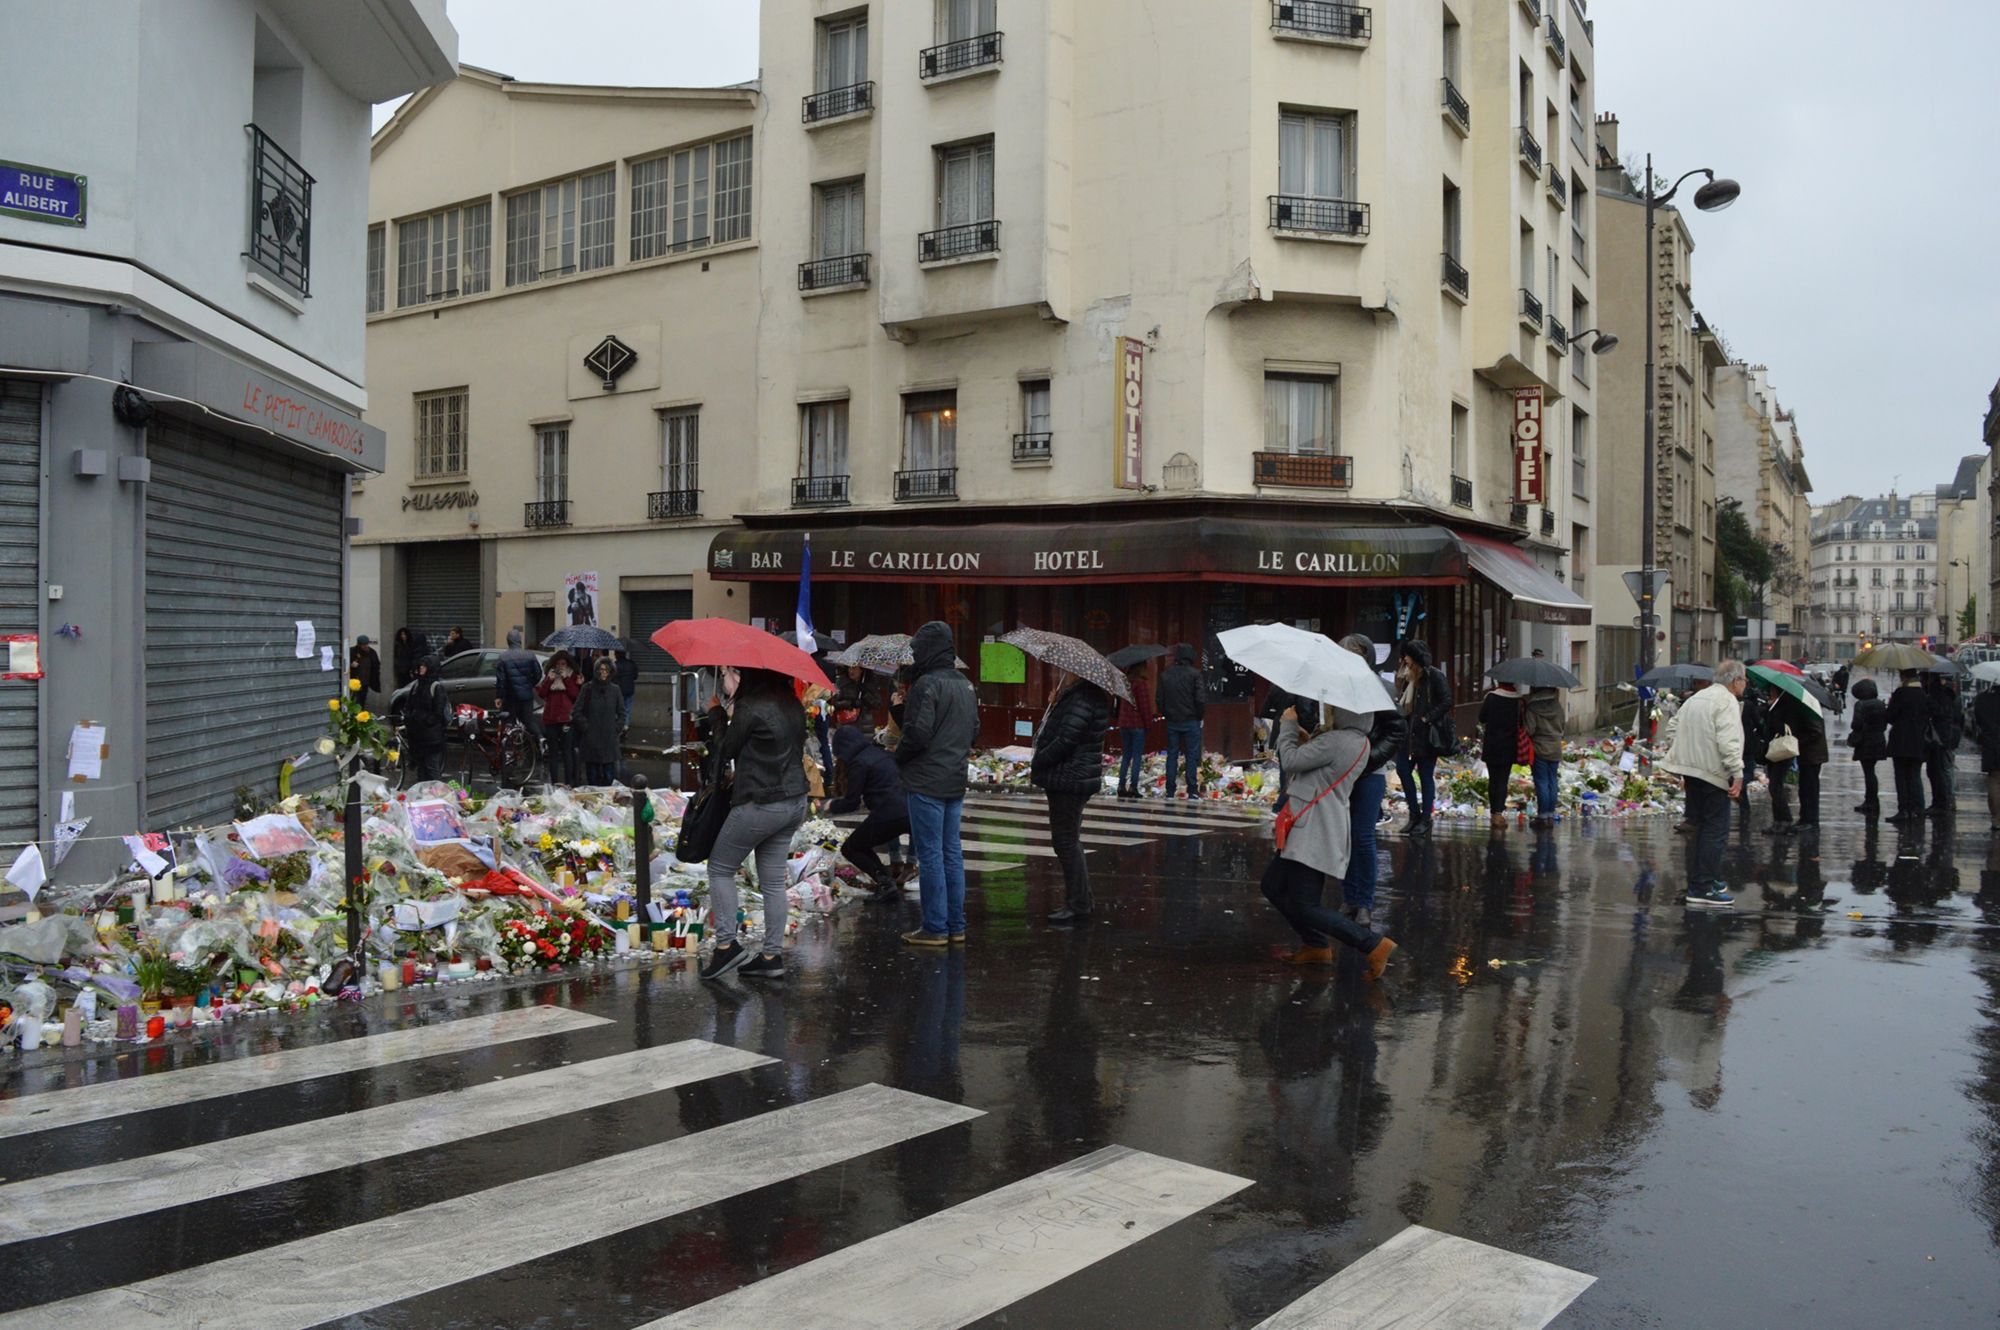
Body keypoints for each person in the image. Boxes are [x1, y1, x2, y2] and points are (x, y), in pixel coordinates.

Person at [1260, 704, 1397, 978]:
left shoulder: (1337, 740)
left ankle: (1372, 944)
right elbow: (1322, 767)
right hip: (1314, 824)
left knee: (1306, 905)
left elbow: (1290, 762)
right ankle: (1315, 945)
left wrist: (1287, 726)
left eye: (1334, 709)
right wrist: (1308, 742)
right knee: (1273, 885)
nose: (1329, 712)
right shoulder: (1358, 741)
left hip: (1312, 827)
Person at [699, 666, 808, 981]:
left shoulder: (751, 706)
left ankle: (726, 946)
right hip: (795, 800)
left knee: (720, 868)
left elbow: (725, 749)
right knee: (772, 882)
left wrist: (717, 714)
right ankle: (771, 956)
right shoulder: (792, 703)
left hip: (762, 802)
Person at [895, 622, 978, 946]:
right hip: (954, 778)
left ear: (928, 649)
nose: (915, 656)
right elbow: (974, 730)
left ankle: (934, 927)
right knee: (951, 854)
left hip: (926, 781)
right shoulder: (965, 684)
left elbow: (917, 733)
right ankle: (956, 925)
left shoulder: (926, 684)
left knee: (930, 856)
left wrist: (898, 757)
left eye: (917, 650)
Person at [1662, 659, 1747, 908]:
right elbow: (1728, 741)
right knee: (1715, 830)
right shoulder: (1726, 701)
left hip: (1691, 771)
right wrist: (1737, 773)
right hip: (1712, 772)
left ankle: (1702, 879)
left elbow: (1672, 728)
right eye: (1744, 680)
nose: (1745, 684)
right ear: (1736, 681)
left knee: (1700, 827)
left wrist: (1687, 750)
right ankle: (1703, 886)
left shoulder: (1697, 698)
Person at [1032, 675, 1112, 924]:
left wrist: (1039, 760)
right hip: (1073, 776)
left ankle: (1078, 903)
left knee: (1065, 842)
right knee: (1069, 840)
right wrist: (1055, 704)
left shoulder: (1082, 698)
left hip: (1069, 778)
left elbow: (1066, 739)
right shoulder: (1084, 696)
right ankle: (1082, 899)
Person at [1338, 634, 1401, 927]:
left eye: (1351, 653)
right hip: (1342, 771)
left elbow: (1395, 730)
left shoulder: (1377, 687)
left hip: (1369, 772)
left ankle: (1364, 901)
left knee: (1362, 836)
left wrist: (1369, 759)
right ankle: (1350, 897)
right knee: (1346, 836)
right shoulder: (1336, 686)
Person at [826, 724, 910, 901]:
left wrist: (831, 805)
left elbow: (852, 802)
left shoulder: (859, 762)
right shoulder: (881, 753)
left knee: (852, 847)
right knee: (863, 842)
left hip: (887, 813)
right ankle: (888, 880)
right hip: (910, 808)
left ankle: (885, 882)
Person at [1395, 640, 1451, 836]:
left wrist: (1427, 718)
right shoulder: (1407, 677)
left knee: (1425, 775)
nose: (1405, 660)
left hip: (1426, 736)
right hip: (1408, 734)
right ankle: (1414, 814)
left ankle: (1426, 818)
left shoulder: (1434, 675)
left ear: (1416, 657)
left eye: (1408, 656)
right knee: (1403, 770)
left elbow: (1446, 701)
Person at [1767, 687, 1826, 834]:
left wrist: (1795, 742)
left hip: (1812, 754)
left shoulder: (1807, 706)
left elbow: (1815, 731)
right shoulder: (1798, 704)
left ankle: (1811, 821)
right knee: (1805, 788)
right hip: (1807, 754)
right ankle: (1806, 819)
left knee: (1810, 788)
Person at [1477, 681, 1526, 830]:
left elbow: (1482, 718)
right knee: (1503, 781)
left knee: (1493, 780)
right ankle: (1499, 813)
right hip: (1509, 746)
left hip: (1492, 745)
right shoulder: (1518, 700)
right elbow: (1522, 722)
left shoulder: (1491, 697)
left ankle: (1494, 814)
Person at [1158, 643, 1205, 798]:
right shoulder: (1195, 674)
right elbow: (1200, 699)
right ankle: (1192, 789)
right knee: (1191, 755)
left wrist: (1167, 714)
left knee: (1172, 754)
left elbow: (1159, 699)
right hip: (1191, 720)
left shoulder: (1165, 675)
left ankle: (1170, 789)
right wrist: (1199, 716)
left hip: (1172, 721)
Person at [1886, 669, 1931, 823]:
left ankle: (1904, 810)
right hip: (1918, 739)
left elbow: (1890, 716)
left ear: (1903, 676)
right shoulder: (1923, 694)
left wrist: (1890, 704)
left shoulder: (1900, 693)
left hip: (1901, 740)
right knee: (1914, 775)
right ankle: (1918, 808)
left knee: (1901, 776)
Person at [573, 657, 624, 786]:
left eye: (606, 670)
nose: (603, 673)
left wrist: (616, 728)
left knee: (609, 777)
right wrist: (586, 727)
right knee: (592, 777)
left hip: (609, 738)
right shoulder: (587, 688)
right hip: (591, 738)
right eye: (601, 669)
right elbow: (577, 711)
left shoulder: (615, 690)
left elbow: (622, 713)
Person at [399, 654, 450, 781]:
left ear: (431, 668)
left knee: (432, 768)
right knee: (421, 769)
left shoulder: (436, 687)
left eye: (424, 666)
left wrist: (426, 722)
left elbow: (438, 712)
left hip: (431, 737)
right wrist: (409, 718)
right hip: (418, 737)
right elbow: (409, 705)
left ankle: (435, 792)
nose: (421, 668)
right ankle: (422, 792)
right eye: (421, 665)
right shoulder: (417, 685)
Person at [534, 650, 581, 785]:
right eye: (558, 664)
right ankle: (554, 782)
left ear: (568, 664)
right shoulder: (550, 675)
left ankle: (568, 782)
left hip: (566, 718)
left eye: (563, 664)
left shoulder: (572, 675)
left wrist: (566, 679)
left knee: (567, 751)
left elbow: (575, 695)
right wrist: (550, 680)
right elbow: (542, 694)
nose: (560, 666)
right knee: (553, 752)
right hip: (551, 717)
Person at [1523, 686, 1564, 828]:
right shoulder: (1557, 706)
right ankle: (1550, 816)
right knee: (1552, 781)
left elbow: (1529, 730)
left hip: (1539, 748)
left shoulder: (1532, 708)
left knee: (1541, 782)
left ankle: (1542, 817)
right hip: (1555, 748)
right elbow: (1562, 725)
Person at [1848, 678, 1889, 817]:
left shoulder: (1860, 704)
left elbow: (1856, 724)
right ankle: (1873, 801)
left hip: (1865, 742)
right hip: (1879, 740)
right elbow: (1884, 725)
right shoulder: (1880, 704)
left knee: (1868, 772)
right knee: (1871, 771)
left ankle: (1871, 801)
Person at [1113, 665, 1153, 800]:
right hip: (1137, 724)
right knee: (1136, 757)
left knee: (1126, 755)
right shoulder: (1141, 684)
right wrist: (1148, 724)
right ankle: (1133, 786)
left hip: (1124, 723)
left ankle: (1121, 785)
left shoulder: (1124, 682)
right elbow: (1144, 706)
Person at [1925, 675, 1963, 816]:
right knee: (1942, 770)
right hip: (1943, 738)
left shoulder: (1940, 697)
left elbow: (1941, 715)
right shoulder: (1948, 696)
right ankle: (1945, 801)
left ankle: (1944, 802)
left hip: (1940, 739)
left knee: (1941, 771)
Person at [1760, 687, 1795, 830]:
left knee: (1775, 786)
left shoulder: (1787, 706)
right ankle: (1778, 820)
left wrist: (1771, 714)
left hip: (1782, 751)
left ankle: (1785, 819)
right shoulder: (1774, 705)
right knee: (1774, 786)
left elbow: (1782, 727)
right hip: (1773, 751)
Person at [494, 628, 542, 730]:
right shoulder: (530, 655)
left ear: (508, 641)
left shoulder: (503, 657)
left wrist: (499, 697)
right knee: (528, 721)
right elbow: (538, 674)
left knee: (510, 721)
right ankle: (539, 737)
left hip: (511, 695)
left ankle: (511, 738)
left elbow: (501, 680)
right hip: (527, 695)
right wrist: (529, 685)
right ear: (520, 640)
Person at [1737, 681, 1768, 822]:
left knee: (1738, 771)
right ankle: (1741, 788)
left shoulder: (1729, 704)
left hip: (1734, 743)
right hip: (1748, 743)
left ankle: (1744, 805)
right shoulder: (1749, 705)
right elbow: (1758, 722)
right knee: (1748, 770)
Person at [1974, 685, 2000, 828]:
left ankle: (1996, 819)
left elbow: (1978, 720)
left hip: (1990, 744)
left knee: (1994, 780)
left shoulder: (1983, 699)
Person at [348, 636, 382, 708]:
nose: (366, 646)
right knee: (356, 703)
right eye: (363, 645)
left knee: (362, 701)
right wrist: (351, 665)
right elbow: (345, 664)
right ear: (359, 645)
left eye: (366, 644)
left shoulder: (372, 652)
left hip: (365, 683)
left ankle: (361, 713)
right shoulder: (352, 651)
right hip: (354, 683)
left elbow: (377, 665)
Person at [613, 648, 639, 731]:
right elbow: (635, 676)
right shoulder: (632, 664)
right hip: (629, 690)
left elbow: (612, 678)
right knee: (627, 709)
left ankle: (619, 725)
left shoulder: (615, 665)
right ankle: (625, 725)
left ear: (617, 654)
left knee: (618, 709)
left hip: (618, 690)